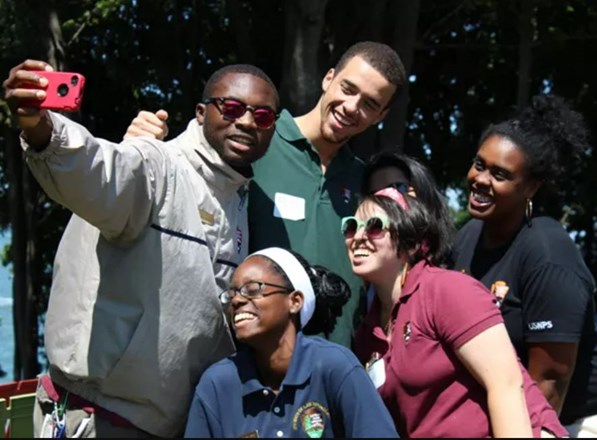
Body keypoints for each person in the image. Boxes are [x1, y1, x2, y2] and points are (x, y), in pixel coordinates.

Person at [3, 59, 280, 437]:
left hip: (169, 425)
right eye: (231, 108)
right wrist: (40, 126)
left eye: (262, 116)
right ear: (201, 113)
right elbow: (96, 169)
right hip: (96, 418)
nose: (247, 122)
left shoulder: (238, 202)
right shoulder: (157, 166)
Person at [126, 41, 407, 348]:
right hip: (243, 358)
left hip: (332, 366)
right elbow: (187, 170)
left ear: (381, 115)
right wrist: (145, 145)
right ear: (329, 78)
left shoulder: (364, 182)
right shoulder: (256, 141)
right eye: (348, 88)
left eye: (369, 103)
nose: (352, 107)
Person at [452, 94, 597, 437]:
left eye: (500, 174)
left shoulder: (548, 257)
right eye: (479, 164)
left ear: (531, 187)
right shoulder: (468, 237)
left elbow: (549, 384)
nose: (481, 179)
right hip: (507, 406)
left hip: (579, 420)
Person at [348, 188, 568, 437]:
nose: (358, 236)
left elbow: (505, 385)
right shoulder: (368, 334)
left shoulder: (447, 290)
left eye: (375, 226)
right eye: (351, 227)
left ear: (409, 241)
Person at [184, 247, 399, 438]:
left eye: (252, 289)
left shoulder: (335, 367)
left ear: (295, 301)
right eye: (231, 295)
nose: (237, 301)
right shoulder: (216, 384)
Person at [360, 150, 455, 310]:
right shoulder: (371, 284)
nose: (385, 202)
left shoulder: (451, 285)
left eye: (398, 188)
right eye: (374, 195)